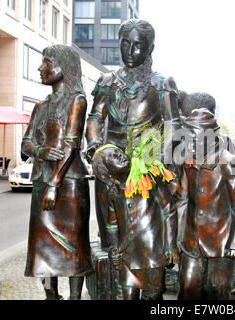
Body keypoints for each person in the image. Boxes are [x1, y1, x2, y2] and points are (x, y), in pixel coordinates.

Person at [85, 19, 181, 250]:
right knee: (110, 233)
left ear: (150, 48)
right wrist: (95, 144)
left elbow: (172, 124)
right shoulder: (107, 81)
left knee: (145, 236)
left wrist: (162, 159)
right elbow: (95, 117)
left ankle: (147, 280)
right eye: (125, 44)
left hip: (146, 165)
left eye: (138, 45)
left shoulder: (161, 84)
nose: (130, 51)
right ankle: (112, 280)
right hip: (111, 164)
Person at [22, 45, 92, 300]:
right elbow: (26, 143)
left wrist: (55, 183)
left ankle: (74, 297)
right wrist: (41, 151)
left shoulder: (77, 100)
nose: (41, 68)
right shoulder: (40, 106)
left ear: (63, 66)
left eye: (47, 62)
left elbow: (71, 144)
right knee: (43, 245)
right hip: (43, 180)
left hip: (69, 182)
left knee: (74, 246)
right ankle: (51, 295)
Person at [175, 108, 235, 300]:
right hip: (192, 239)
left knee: (218, 289)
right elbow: (182, 200)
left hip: (221, 240)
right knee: (188, 287)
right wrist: (178, 236)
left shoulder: (229, 161)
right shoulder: (186, 159)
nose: (188, 139)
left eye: (193, 134)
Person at [92, 144, 178, 300]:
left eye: (118, 151)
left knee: (152, 296)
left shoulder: (149, 176)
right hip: (127, 256)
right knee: (126, 295)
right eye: (112, 156)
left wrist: (170, 245)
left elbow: (168, 210)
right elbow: (112, 225)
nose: (119, 154)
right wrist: (113, 249)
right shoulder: (113, 192)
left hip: (153, 253)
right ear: (107, 173)